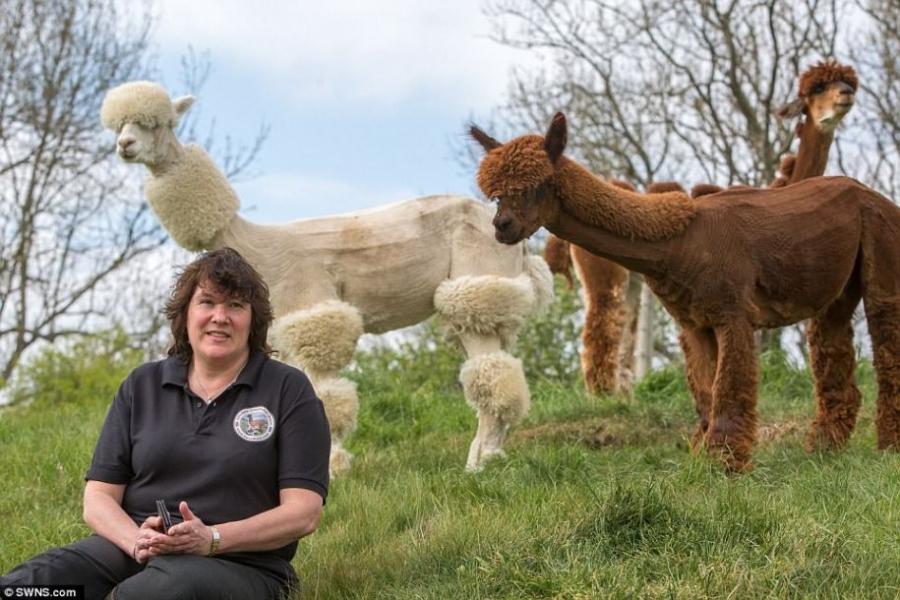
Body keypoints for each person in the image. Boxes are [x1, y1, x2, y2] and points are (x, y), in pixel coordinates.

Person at [1, 248, 331, 600]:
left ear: (253, 320)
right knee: (30, 586)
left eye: (236, 305)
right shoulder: (141, 385)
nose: (220, 316)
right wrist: (137, 541)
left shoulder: (287, 389)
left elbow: (303, 513)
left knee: (150, 592)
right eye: (207, 302)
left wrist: (212, 539)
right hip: (134, 549)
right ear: (185, 314)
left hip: (240, 564)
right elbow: (98, 497)